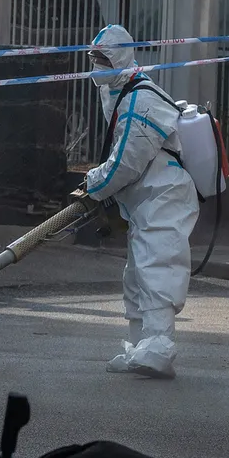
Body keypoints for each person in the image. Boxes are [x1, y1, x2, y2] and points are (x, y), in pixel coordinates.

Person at [78, 24, 199, 379]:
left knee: (157, 268)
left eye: (102, 59)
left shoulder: (139, 100)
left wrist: (94, 183)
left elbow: (126, 161)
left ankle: (160, 347)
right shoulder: (121, 90)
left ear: (119, 58)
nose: (96, 65)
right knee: (137, 274)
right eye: (93, 58)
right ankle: (140, 348)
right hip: (147, 196)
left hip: (165, 194)